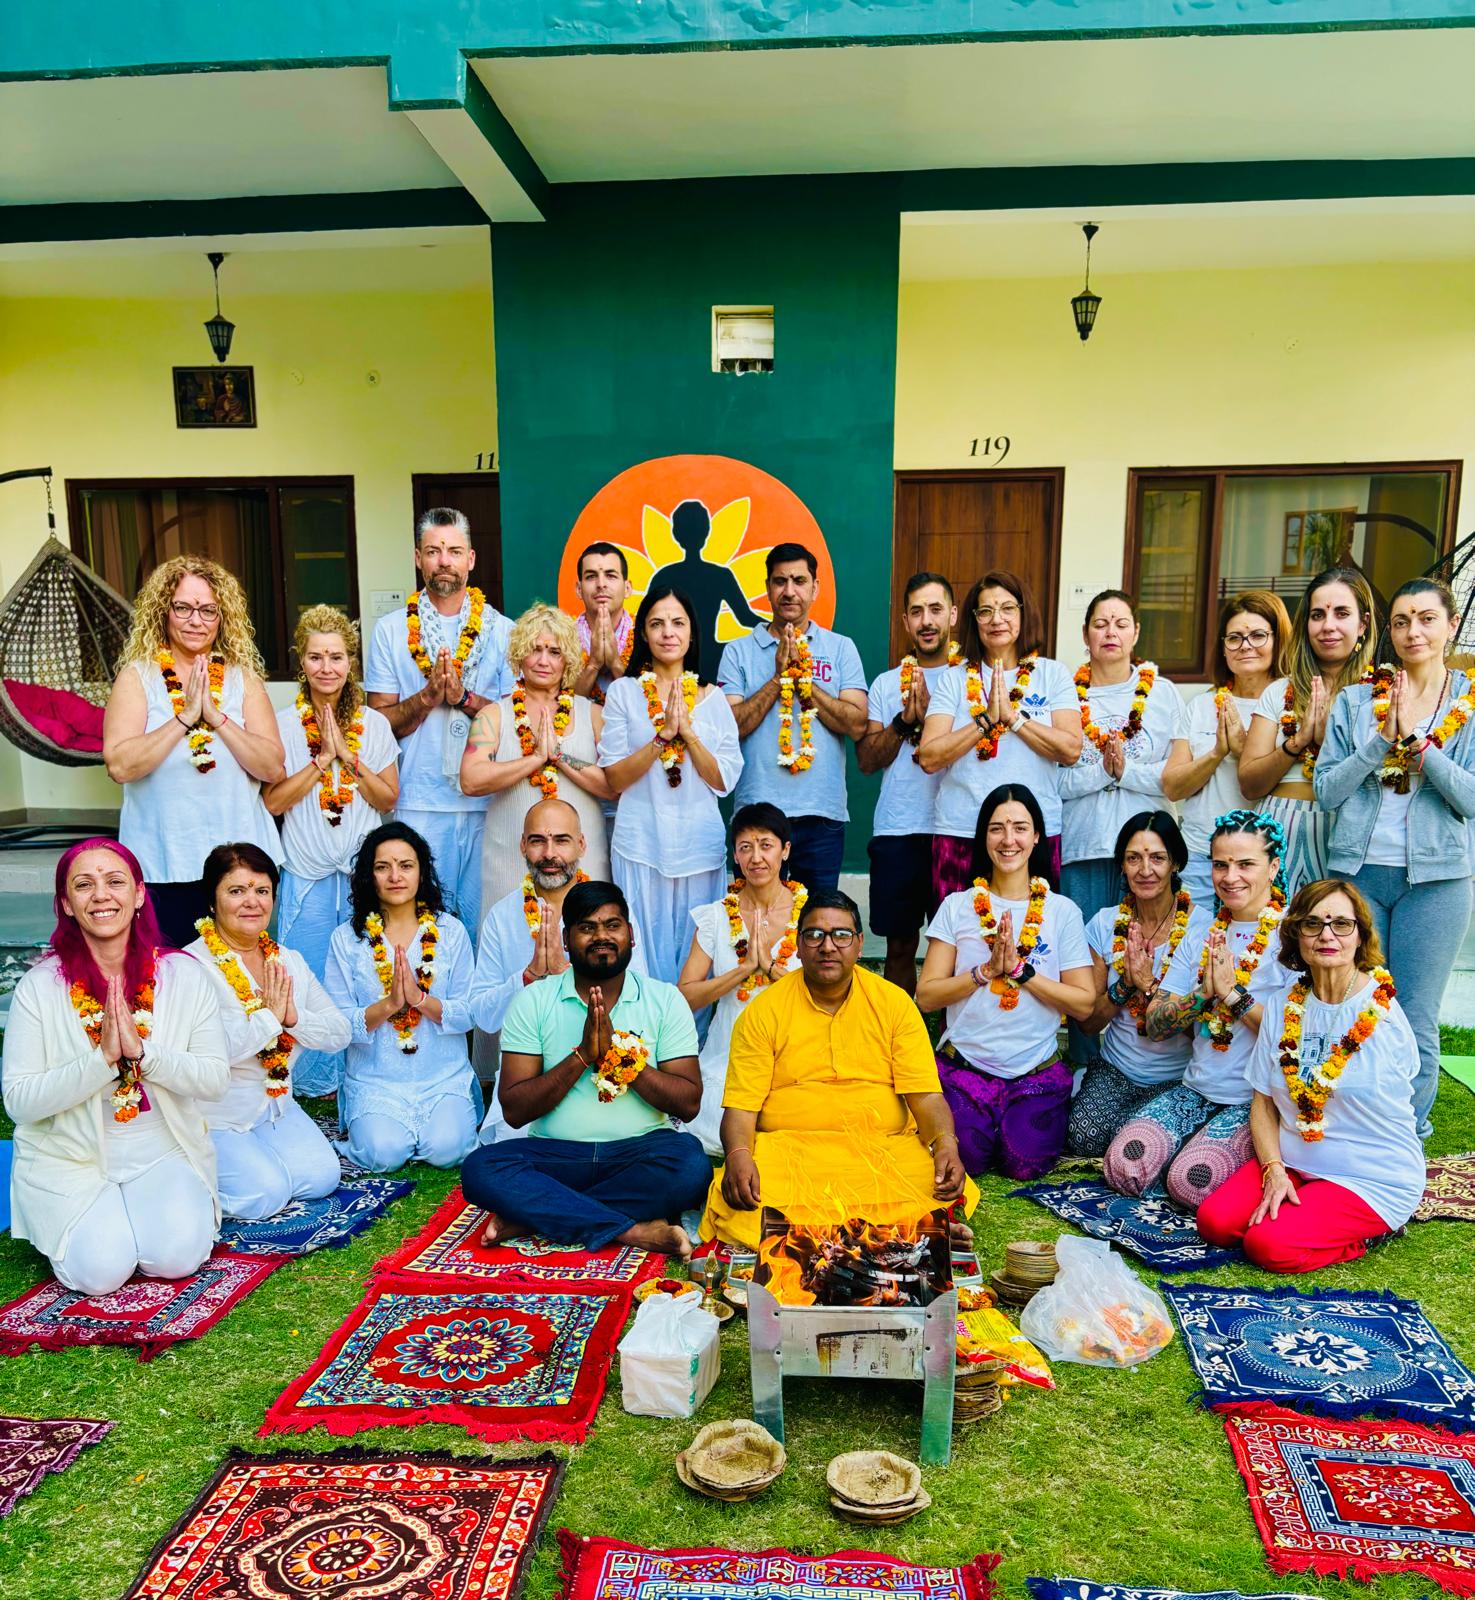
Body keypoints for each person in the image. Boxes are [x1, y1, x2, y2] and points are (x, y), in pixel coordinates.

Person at [2, 840, 227, 1296]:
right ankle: (98, 1224)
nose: (101, 895)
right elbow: (20, 1104)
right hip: (68, 1156)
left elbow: (213, 1079)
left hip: (163, 1147)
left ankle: (135, 1215)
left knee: (176, 1259)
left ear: (140, 893)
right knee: (101, 1274)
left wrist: (145, 1054)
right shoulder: (39, 987)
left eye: (115, 881)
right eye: (84, 885)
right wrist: (102, 1061)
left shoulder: (185, 976)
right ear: (67, 903)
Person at [702, 889, 976, 1252]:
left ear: (859, 944)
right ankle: (907, 1231)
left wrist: (945, 1143)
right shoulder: (763, 1011)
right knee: (752, 1191)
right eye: (814, 935)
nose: (827, 946)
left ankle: (824, 1237)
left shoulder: (893, 1003)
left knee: (929, 1177)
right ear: (798, 946)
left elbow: (925, 1094)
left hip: (881, 1150)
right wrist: (738, 1154)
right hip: (792, 1151)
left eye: (841, 935)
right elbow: (741, 1107)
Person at [461, 881, 709, 1256]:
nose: (601, 936)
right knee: (480, 1168)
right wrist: (582, 1057)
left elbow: (688, 1103)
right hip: (556, 1155)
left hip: (640, 1152)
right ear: (565, 938)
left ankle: (535, 1216)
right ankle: (633, 1231)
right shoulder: (533, 1001)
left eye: (612, 925)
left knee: (690, 1164)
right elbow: (514, 1111)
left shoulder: (664, 999)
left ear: (631, 935)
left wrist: (619, 1059)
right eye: (587, 927)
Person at [1315, 576, 1475, 1138]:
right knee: (1355, 1005)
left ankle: (1405, 1133)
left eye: (1427, 618)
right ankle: (1350, 1125)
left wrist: (1423, 747)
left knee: (1414, 1015)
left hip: (1437, 880)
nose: (1414, 631)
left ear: (1450, 625)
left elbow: (1472, 799)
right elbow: (1327, 791)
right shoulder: (1359, 700)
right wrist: (1381, 741)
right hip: (1358, 875)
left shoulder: (1469, 703)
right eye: (1402, 620)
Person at [1197, 879, 1423, 1271]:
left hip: (1367, 1176)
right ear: (1297, 934)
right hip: (1294, 1163)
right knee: (1214, 1223)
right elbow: (1263, 1102)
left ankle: (1372, 1231)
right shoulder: (1284, 1005)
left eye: (1341, 924)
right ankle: (1300, 1208)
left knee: (1268, 1246)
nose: (1327, 935)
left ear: (1360, 935)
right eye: (1313, 924)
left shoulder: (1380, 1012)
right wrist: (1273, 1169)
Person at [1104, 810, 1294, 1209]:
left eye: (1245, 865)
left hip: (1253, 1100)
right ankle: (1183, 1156)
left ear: (1274, 867)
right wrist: (1203, 997)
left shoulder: (1292, 940)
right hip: (1195, 1089)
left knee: (1194, 1183)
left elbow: (1295, 1040)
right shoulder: (1202, 936)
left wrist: (1232, 996)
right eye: (1221, 864)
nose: (1231, 876)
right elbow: (1155, 1024)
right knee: (1123, 1167)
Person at [103, 555, 285, 946]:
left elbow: (272, 766)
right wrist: (185, 718)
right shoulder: (138, 678)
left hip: (240, 865)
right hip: (163, 861)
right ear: (163, 612)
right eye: (183, 607)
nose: (195, 619)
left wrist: (216, 718)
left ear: (222, 617)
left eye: (207, 610)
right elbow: (119, 765)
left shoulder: (243, 678)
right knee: (171, 978)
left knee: (241, 977)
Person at [916, 785, 1094, 1179]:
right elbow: (926, 996)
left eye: (1019, 827)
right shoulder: (958, 905)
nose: (1008, 839)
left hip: (1034, 1072)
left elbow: (1084, 1004)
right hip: (966, 1068)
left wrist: (1020, 972)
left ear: (1036, 837)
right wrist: (984, 973)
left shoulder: (1062, 911)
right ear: (984, 837)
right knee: (969, 1161)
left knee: (1024, 1163)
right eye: (997, 828)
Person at [263, 605, 399, 1096]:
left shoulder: (373, 725)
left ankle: (361, 1074)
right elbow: (273, 800)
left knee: (364, 971)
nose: (327, 667)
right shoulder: (281, 725)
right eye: (316, 657)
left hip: (362, 875)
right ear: (302, 662)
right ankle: (308, 1079)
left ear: (351, 662)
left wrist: (349, 756)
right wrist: (322, 762)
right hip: (308, 874)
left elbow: (387, 799)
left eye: (337, 657)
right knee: (307, 974)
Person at [365, 508, 514, 937]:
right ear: (418, 558)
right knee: (421, 919)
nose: (444, 561)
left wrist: (463, 698)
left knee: (481, 920)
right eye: (433, 551)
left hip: (486, 801)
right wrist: (428, 698)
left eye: (453, 551)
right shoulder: (392, 631)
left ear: (471, 559)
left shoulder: (501, 630)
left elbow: (513, 717)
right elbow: (378, 724)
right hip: (418, 799)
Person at [469, 796, 650, 1136]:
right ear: (523, 845)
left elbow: (641, 997)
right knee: (509, 1155)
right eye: (538, 840)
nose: (549, 854)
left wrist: (578, 975)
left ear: (581, 844)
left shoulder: (612, 916)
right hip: (530, 1075)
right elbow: (483, 1016)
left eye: (561, 840)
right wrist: (527, 977)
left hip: (604, 1068)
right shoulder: (503, 916)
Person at [185, 844, 348, 1220]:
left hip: (275, 1106)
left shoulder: (288, 961)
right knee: (266, 1194)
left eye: (261, 891)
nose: (251, 902)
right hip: (216, 1115)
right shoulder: (191, 967)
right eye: (236, 891)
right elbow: (209, 1054)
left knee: (322, 1177)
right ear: (212, 901)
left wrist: (292, 1018)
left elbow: (338, 1032)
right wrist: (266, 1020)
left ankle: (257, 1166)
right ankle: (185, 1180)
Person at [600, 584, 743, 983]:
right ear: (643, 633)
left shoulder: (714, 700)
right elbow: (614, 778)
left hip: (698, 846)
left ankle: (690, 1042)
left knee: (697, 956)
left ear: (691, 633)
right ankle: (644, 1041)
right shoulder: (625, 694)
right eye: (657, 623)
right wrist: (661, 737)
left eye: (678, 623)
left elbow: (724, 781)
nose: (668, 632)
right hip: (641, 843)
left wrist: (689, 736)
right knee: (641, 952)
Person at [919, 570, 1081, 903]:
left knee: (1031, 938)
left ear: (1024, 613)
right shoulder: (954, 679)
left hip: (1031, 834)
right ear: (974, 619)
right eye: (986, 611)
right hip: (962, 829)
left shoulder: (1052, 674)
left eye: (1007, 608)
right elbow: (929, 756)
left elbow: (1071, 748)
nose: (997, 619)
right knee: (958, 940)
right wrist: (985, 722)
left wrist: (1014, 720)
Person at [325, 822, 479, 1172]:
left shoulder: (450, 932)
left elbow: (468, 1012)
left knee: (448, 1151)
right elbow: (338, 1022)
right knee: (384, 1154)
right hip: (376, 1080)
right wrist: (390, 1005)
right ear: (369, 875)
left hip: (442, 1076)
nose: (395, 876)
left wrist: (421, 1001)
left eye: (406, 865)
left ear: (421, 872)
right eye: (383, 867)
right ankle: (383, 1128)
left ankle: (435, 1127)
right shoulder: (347, 939)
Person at [718, 543, 868, 891]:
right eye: (780, 581)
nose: (789, 591)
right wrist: (777, 679)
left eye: (799, 580)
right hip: (756, 815)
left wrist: (804, 681)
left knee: (817, 926)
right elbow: (729, 727)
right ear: (767, 588)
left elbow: (857, 724)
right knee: (757, 918)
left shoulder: (841, 648)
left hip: (822, 816)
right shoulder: (738, 651)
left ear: (815, 587)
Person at [460, 602, 611, 918]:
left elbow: (614, 787)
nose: (544, 661)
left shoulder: (594, 714)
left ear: (568, 659)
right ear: (519, 655)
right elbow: (471, 780)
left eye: (554, 652)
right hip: (509, 862)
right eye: (535, 649)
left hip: (583, 860)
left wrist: (558, 756)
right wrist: (534, 760)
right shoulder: (494, 716)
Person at [1239, 566, 1379, 892]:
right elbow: (1249, 783)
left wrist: (1330, 742)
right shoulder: (1279, 692)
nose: (1327, 625)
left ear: (1363, 624)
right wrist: (1297, 743)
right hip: (1279, 827)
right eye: (1317, 615)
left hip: (1350, 834)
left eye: (1341, 613)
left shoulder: (1380, 695)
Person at [677, 803, 806, 1157]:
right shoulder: (716, 916)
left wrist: (773, 971)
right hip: (730, 1051)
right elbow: (685, 996)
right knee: (715, 1121)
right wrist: (742, 971)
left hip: (797, 1049)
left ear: (785, 850)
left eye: (766, 845)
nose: (756, 857)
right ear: (735, 854)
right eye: (745, 847)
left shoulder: (810, 913)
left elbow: (831, 992)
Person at [1068, 812, 1195, 1156]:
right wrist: (1125, 985)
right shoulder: (1105, 924)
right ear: (1122, 866)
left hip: (1177, 1078)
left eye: (1157, 858)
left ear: (1176, 864)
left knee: (1141, 1147)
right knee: (1082, 1136)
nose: (1145, 869)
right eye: (1133, 858)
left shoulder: (1201, 928)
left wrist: (1150, 986)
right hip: (1116, 1069)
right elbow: (1088, 1023)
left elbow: (1204, 1032)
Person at [857, 571, 958, 994]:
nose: (927, 620)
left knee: (960, 946)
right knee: (899, 946)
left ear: (952, 615)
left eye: (936, 609)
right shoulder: (885, 683)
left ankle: (952, 1048)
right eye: (917, 612)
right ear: (905, 621)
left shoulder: (967, 680)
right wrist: (904, 721)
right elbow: (866, 760)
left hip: (956, 830)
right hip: (898, 830)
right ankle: (901, 1042)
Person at [1059, 590, 1185, 924]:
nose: (1110, 632)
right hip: (1084, 849)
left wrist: (1126, 773)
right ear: (1086, 634)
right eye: (1100, 624)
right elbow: (1052, 780)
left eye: (1121, 623)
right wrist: (1101, 773)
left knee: (1145, 950)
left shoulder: (1163, 691)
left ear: (1136, 633)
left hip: (1149, 854)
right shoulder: (1065, 694)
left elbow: (1177, 774)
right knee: (1083, 957)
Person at [1162, 591, 1289, 907]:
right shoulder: (1203, 706)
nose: (1246, 645)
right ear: (1223, 648)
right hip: (1201, 861)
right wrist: (1217, 752)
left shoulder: (1291, 707)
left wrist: (1243, 751)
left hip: (1262, 866)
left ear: (1278, 640)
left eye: (1258, 635)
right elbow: (1172, 786)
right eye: (1235, 637)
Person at [571, 540, 636, 704]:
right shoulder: (562, 638)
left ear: (627, 588)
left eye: (611, 575)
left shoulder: (647, 635)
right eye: (591, 576)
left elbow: (649, 706)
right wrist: (593, 665)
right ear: (579, 589)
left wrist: (615, 663)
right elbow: (562, 706)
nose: (601, 584)